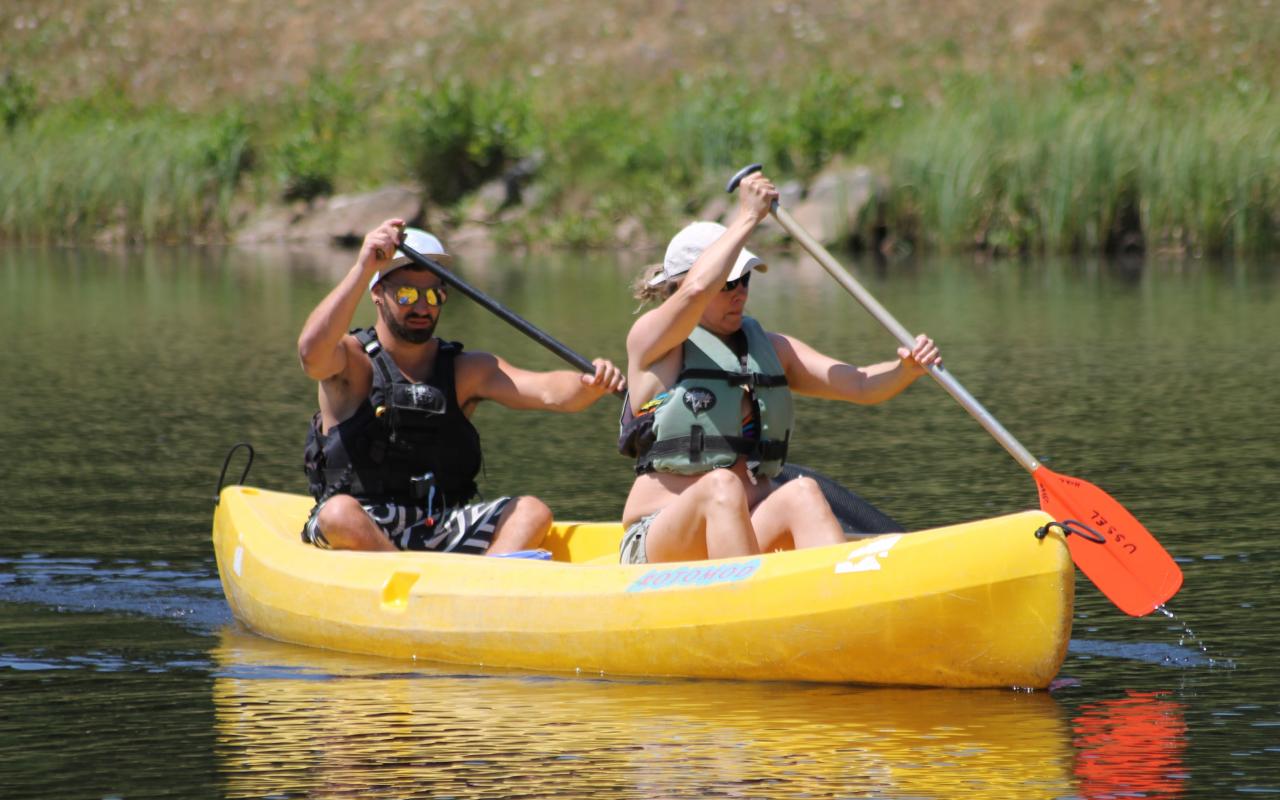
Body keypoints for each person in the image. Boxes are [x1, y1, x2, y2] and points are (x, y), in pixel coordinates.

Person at [618, 171, 941, 564]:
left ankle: (840, 601)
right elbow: (696, 292)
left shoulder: (768, 349)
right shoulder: (653, 343)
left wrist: (905, 369)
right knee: (721, 487)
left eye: (745, 280)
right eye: (728, 282)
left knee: (802, 493)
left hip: (745, 528)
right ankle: (750, 610)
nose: (739, 292)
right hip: (659, 539)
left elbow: (860, 384)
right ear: (680, 285)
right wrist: (749, 217)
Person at [299, 219, 625, 554]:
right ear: (378, 294)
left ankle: (481, 587)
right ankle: (412, 584)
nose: (422, 307)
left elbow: (550, 392)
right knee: (338, 514)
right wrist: (363, 267)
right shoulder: (350, 361)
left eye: (433, 294)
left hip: (439, 522)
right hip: (363, 521)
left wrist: (591, 383)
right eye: (408, 293)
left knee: (531, 512)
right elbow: (310, 353)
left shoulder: (465, 369)